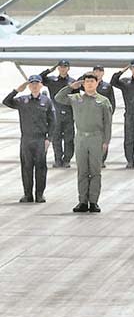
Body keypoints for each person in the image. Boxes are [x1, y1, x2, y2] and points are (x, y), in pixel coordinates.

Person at [55, 74, 113, 213]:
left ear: (97, 83)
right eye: (87, 82)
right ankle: (82, 201)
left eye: (92, 82)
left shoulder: (103, 101)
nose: (89, 84)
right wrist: (70, 87)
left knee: (95, 172)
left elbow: (108, 123)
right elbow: (58, 98)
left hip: (96, 138)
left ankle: (93, 202)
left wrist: (106, 141)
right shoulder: (76, 98)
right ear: (83, 84)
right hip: (81, 138)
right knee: (82, 171)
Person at [3, 75, 55, 203]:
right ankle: (27, 195)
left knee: (41, 168)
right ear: (29, 86)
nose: (34, 85)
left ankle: (39, 195)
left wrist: (49, 139)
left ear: (41, 85)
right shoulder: (22, 100)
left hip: (40, 140)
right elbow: (6, 102)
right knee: (26, 167)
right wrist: (16, 90)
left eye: (37, 83)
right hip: (26, 139)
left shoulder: (46, 101)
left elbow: (53, 121)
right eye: (32, 83)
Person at [39, 60, 75, 168]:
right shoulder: (52, 80)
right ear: (58, 68)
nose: (63, 69)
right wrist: (50, 70)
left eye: (65, 67)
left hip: (69, 113)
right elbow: (40, 77)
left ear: (68, 68)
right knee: (56, 139)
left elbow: (76, 98)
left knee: (69, 138)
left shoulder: (72, 82)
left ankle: (67, 160)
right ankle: (58, 159)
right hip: (55, 114)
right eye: (61, 67)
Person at [78, 65, 115, 167]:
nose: (98, 73)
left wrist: (109, 116)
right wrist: (86, 76)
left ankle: (102, 160)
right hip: (90, 116)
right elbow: (77, 83)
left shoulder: (107, 86)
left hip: (103, 116)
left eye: (100, 71)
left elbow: (112, 102)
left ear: (103, 73)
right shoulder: (87, 84)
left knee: (104, 138)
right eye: (96, 71)